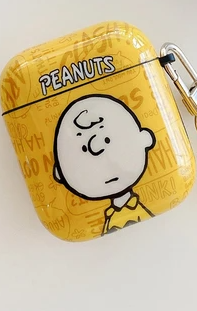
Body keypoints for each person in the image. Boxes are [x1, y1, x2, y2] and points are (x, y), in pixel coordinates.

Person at [53, 94, 156, 234]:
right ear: (60, 173)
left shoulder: (132, 210)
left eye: (107, 140)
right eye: (84, 149)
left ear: (145, 138)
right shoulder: (110, 215)